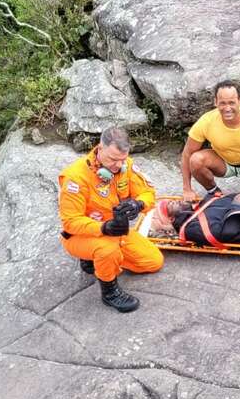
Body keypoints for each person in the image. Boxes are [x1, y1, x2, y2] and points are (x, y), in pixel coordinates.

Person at [59, 127, 163, 312]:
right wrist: (104, 228)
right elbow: (70, 222)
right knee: (107, 250)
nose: (117, 165)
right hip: (81, 235)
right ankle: (109, 292)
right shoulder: (76, 177)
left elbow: (148, 193)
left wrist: (138, 204)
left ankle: (97, 260)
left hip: (117, 231)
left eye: (122, 159)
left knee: (153, 262)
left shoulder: (126, 167)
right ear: (100, 148)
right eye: (113, 159)